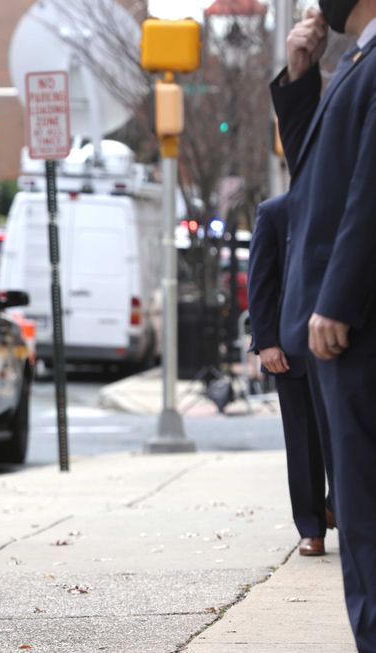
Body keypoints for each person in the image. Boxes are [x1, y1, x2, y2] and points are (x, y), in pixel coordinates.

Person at [272, 1, 376, 648]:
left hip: (355, 326)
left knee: (363, 506)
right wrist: (302, 75)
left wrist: (335, 298)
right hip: (344, 326)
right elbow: (318, 177)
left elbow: (368, 190)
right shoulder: (359, 62)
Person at [247, 193, 335, 557]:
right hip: (292, 349)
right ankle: (311, 528)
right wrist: (266, 342)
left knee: (351, 439)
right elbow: (261, 282)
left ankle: (339, 507)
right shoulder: (274, 212)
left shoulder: (348, 200)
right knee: (303, 444)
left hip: (346, 345)